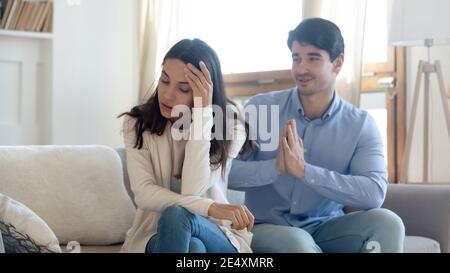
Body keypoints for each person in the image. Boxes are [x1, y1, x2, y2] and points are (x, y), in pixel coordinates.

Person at [228, 18, 405, 253]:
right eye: (296, 58)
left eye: (313, 58)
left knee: (388, 223)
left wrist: (305, 172)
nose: (301, 69)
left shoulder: (360, 125)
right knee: (298, 243)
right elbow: (224, 172)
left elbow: (373, 193)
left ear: (338, 62)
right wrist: (275, 168)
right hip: (264, 227)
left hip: (326, 227)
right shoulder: (260, 109)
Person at [119, 39, 254, 253]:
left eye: (183, 88)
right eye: (164, 81)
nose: (168, 94)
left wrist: (203, 113)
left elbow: (193, 189)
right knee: (192, 247)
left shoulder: (231, 125)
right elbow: (144, 193)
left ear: (205, 92)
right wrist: (211, 207)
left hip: (219, 236)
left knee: (177, 215)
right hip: (156, 234)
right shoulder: (137, 123)